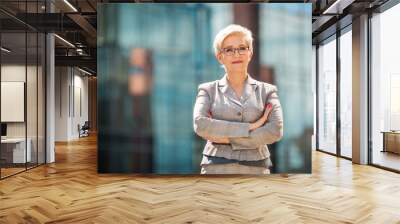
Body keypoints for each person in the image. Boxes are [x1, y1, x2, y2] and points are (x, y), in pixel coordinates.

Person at [193, 24, 284, 174]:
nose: (236, 54)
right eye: (229, 50)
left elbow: (275, 131)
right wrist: (251, 127)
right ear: (220, 57)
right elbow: (200, 124)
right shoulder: (207, 90)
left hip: (257, 168)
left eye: (242, 48)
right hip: (215, 168)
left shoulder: (268, 91)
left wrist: (227, 139)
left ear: (250, 53)